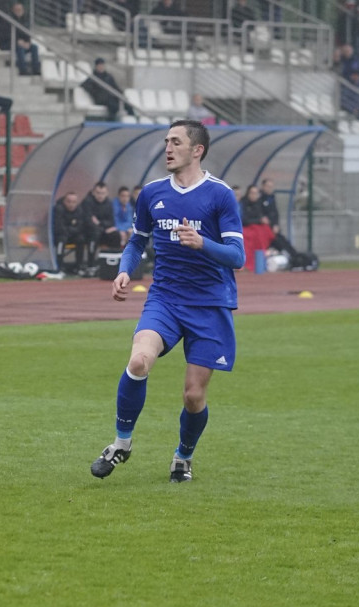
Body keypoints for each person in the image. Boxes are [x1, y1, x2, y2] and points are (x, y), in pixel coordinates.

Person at [91, 119, 245, 483]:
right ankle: (121, 444)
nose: (168, 148)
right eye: (166, 141)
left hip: (209, 304)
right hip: (165, 298)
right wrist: (125, 270)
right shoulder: (152, 193)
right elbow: (136, 241)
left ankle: (183, 457)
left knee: (193, 396)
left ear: (197, 150)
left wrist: (201, 243)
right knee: (139, 360)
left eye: (176, 141)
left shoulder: (220, 195)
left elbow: (237, 255)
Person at [81, 57, 132, 121]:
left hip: (110, 97)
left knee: (127, 104)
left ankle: (134, 120)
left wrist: (122, 94)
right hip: (101, 99)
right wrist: (96, 92)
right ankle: (111, 121)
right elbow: (84, 85)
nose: (101, 67)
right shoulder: (93, 77)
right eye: (99, 65)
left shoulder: (108, 76)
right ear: (96, 66)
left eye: (102, 65)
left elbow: (115, 87)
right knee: (113, 105)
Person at [81, 181, 120, 259]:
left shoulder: (108, 203)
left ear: (107, 193)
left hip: (103, 230)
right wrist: (102, 227)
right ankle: (90, 263)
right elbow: (88, 221)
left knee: (115, 235)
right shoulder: (87, 202)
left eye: (103, 193)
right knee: (94, 233)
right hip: (88, 232)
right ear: (93, 192)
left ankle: (112, 260)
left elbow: (111, 221)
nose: (100, 195)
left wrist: (99, 223)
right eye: (98, 193)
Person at [50, 190, 86, 275]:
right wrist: (71, 229)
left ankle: (79, 267)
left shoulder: (79, 210)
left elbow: (80, 226)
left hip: (72, 235)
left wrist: (71, 230)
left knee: (81, 239)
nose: (71, 204)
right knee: (61, 239)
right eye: (69, 201)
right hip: (59, 236)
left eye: (74, 202)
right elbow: (59, 227)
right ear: (64, 201)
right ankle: (59, 266)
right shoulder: (58, 209)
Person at [239, 183, 271, 271]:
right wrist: (259, 221)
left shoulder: (259, 204)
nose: (254, 195)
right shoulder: (243, 203)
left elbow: (263, 216)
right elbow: (244, 220)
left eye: (256, 193)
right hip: (246, 229)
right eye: (252, 193)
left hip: (257, 229)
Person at [4, 3, 40, 76]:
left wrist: (28, 42)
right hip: (11, 43)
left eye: (20, 10)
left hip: (23, 43)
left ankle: (36, 69)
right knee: (20, 49)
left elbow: (27, 33)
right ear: (13, 11)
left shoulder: (25, 21)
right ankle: (23, 70)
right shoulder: (9, 21)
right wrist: (17, 41)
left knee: (34, 47)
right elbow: (6, 34)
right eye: (16, 10)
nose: (18, 11)